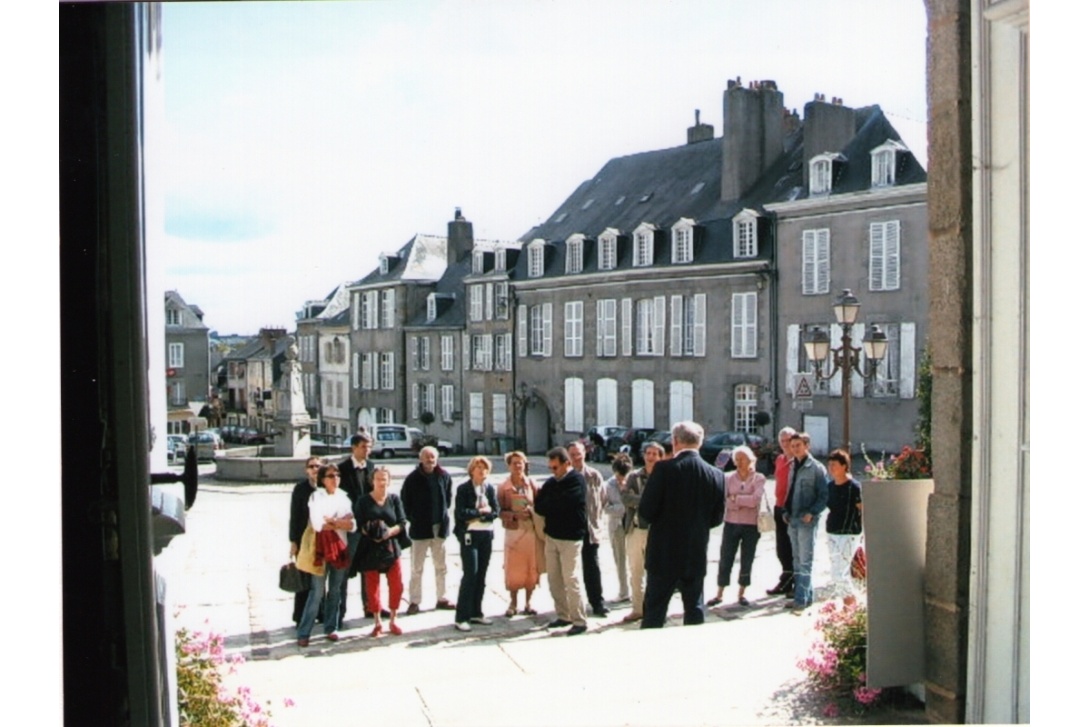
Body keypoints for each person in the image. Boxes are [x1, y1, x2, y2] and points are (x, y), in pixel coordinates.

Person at [638, 421, 725, 629]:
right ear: (700, 442)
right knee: (694, 611)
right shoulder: (716, 475)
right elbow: (716, 518)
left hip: (663, 552)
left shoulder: (663, 469)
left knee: (654, 613)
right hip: (694, 552)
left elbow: (645, 511)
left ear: (674, 441)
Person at [296, 464, 356, 647]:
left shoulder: (344, 497)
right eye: (331, 475)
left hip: (340, 548)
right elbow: (317, 523)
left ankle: (331, 627)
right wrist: (339, 522)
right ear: (323, 479)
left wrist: (334, 521)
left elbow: (353, 524)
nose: (335, 478)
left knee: (336, 590)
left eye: (337, 475)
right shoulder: (316, 496)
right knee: (317, 591)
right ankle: (304, 631)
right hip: (321, 550)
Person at [534, 447, 589, 636]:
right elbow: (540, 506)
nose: (553, 471)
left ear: (567, 464)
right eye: (550, 468)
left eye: (556, 467)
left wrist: (552, 503)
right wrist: (551, 503)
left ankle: (579, 620)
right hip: (552, 536)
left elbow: (566, 503)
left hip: (571, 537)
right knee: (554, 579)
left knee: (571, 578)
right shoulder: (551, 483)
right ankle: (563, 615)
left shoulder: (577, 481)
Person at [708, 445, 767, 608]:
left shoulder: (759, 478)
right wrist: (740, 500)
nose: (739, 462)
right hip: (731, 523)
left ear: (751, 460)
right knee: (726, 557)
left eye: (743, 459)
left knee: (747, 559)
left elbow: (755, 500)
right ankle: (719, 592)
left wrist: (737, 499)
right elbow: (725, 500)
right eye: (737, 459)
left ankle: (742, 592)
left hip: (751, 525)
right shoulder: (728, 478)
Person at [400, 446, 456, 615]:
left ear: (437, 458)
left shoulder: (444, 476)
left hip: (439, 527)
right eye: (426, 457)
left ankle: (442, 598)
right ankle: (414, 601)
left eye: (432, 457)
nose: (430, 460)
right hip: (420, 529)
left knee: (441, 566)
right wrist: (414, 518)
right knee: (417, 568)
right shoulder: (412, 478)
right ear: (420, 458)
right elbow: (405, 501)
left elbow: (447, 500)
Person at [353, 466, 408, 637]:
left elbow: (401, 522)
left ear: (389, 481)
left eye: (384, 479)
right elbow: (358, 524)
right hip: (370, 546)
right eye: (378, 479)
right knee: (372, 585)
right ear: (372, 481)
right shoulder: (363, 501)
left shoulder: (394, 499)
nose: (381, 482)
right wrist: (372, 532)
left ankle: (393, 619)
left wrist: (388, 532)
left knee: (396, 583)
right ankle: (377, 621)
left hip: (390, 546)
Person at [619, 441, 664, 623]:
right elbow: (625, 497)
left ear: (660, 457)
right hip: (636, 529)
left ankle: (655, 609)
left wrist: (642, 500)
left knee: (658, 573)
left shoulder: (664, 476)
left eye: (655, 453)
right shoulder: (634, 476)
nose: (651, 457)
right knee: (635, 571)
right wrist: (647, 500)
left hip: (657, 531)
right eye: (648, 453)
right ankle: (638, 608)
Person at [783, 432, 829, 613]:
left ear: (807, 446)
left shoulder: (816, 468)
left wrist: (813, 513)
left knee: (805, 560)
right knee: (796, 559)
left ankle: (800, 600)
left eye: (798, 445)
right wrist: (785, 511)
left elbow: (824, 495)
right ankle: (805, 596)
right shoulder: (792, 465)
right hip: (793, 519)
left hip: (806, 520)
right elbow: (789, 490)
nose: (795, 449)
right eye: (793, 446)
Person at [453, 456, 500, 632]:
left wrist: (483, 515)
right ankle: (461, 616)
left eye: (485, 468)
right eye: (478, 468)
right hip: (469, 534)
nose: (482, 471)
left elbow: (495, 511)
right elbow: (461, 513)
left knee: (481, 574)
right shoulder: (464, 489)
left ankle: (476, 612)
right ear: (472, 470)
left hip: (486, 534)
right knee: (470, 573)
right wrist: (480, 512)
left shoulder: (489, 489)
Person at [338, 432, 376, 621]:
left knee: (368, 567)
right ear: (353, 447)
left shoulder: (371, 466)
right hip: (350, 527)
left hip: (367, 526)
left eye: (369, 447)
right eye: (363, 447)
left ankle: (369, 606)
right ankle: (340, 609)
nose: (367, 450)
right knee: (345, 568)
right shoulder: (342, 469)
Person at [497, 451, 540, 617]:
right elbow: (499, 511)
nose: (517, 466)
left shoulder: (532, 484)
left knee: (531, 567)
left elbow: (540, 504)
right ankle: (513, 603)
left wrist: (531, 512)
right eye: (514, 463)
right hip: (513, 532)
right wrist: (514, 515)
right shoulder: (503, 487)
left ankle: (529, 603)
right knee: (513, 568)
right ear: (509, 465)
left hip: (530, 531)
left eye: (520, 463)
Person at [569, 441, 609, 617]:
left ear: (584, 453)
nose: (576, 457)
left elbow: (603, 499)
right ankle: (571, 607)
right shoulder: (565, 476)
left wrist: (597, 523)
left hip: (590, 530)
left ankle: (597, 603)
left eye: (579, 453)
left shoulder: (594, 475)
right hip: (570, 531)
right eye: (572, 454)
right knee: (570, 570)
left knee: (592, 567)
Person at [824, 449, 863, 604]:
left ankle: (852, 604)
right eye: (829, 464)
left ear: (844, 466)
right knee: (835, 573)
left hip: (850, 533)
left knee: (840, 573)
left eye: (834, 464)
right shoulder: (830, 486)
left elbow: (862, 509)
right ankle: (849, 605)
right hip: (832, 531)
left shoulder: (854, 487)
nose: (831, 467)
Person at [289, 456, 323, 626]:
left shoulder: (327, 487)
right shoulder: (301, 489)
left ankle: (321, 613)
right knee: (303, 578)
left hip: (323, 539)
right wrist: (293, 541)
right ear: (306, 470)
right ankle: (300, 616)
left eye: (318, 466)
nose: (315, 469)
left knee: (320, 577)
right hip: (304, 539)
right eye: (312, 466)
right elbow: (294, 517)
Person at [766, 426, 797, 598]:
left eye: (788, 440)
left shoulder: (798, 461)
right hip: (779, 506)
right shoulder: (779, 459)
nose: (785, 444)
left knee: (794, 548)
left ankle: (796, 582)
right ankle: (785, 579)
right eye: (782, 441)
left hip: (792, 509)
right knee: (782, 548)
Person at [603, 454, 633, 604]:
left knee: (637, 559)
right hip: (617, 526)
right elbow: (605, 507)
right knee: (620, 559)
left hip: (633, 525)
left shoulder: (634, 482)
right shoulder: (609, 485)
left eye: (624, 476)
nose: (621, 480)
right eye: (619, 476)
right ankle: (623, 591)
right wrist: (624, 507)